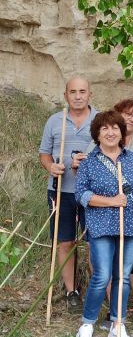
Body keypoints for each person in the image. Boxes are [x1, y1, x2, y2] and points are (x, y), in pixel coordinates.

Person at [75, 111, 133, 337]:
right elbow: (82, 195)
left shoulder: (132, 160)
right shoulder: (89, 162)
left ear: (121, 132)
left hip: (129, 227)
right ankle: (86, 325)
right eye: (104, 128)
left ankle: (118, 325)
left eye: (115, 128)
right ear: (97, 133)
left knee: (123, 278)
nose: (110, 132)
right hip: (101, 226)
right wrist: (111, 201)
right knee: (102, 276)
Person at [91, 100, 133, 330]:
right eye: (127, 114)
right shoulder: (98, 144)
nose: (131, 119)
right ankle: (114, 311)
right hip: (105, 216)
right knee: (107, 266)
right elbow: (86, 177)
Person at [39, 76, 98, 313]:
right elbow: (44, 154)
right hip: (60, 190)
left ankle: (98, 287)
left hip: (93, 194)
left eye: (82, 91)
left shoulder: (100, 120)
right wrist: (51, 166)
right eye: (72, 91)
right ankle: (71, 290)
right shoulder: (55, 121)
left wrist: (86, 166)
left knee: (96, 242)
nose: (77, 96)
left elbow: (110, 152)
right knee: (65, 241)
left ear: (89, 94)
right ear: (65, 95)